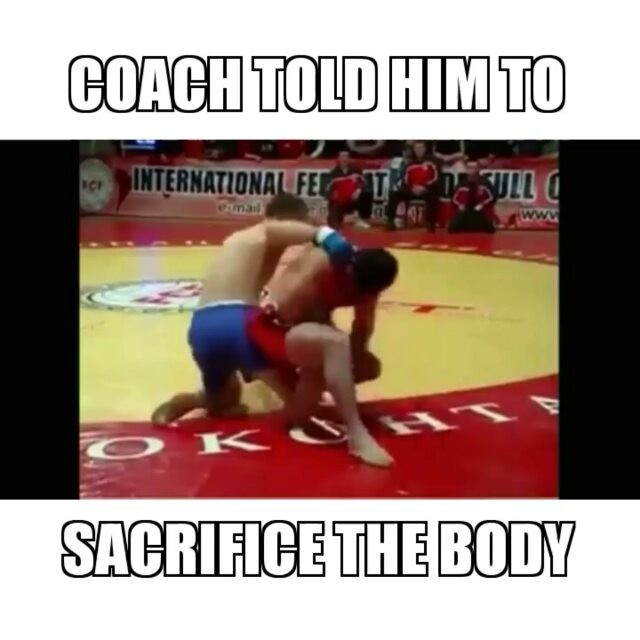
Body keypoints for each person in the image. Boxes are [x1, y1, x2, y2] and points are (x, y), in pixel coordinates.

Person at [152, 193, 394, 466]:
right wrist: (325, 235)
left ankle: (193, 399)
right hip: (241, 324)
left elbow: (360, 328)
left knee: (223, 403)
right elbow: (275, 234)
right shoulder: (270, 236)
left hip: (202, 327)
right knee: (306, 395)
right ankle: (355, 434)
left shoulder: (237, 241)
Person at [250, 241, 399, 465]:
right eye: (352, 286)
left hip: (302, 335)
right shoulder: (320, 264)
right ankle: (357, 434)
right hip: (268, 328)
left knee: (367, 367)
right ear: (348, 268)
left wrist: (354, 359)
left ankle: (304, 400)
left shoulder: (368, 284)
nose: (354, 294)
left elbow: (362, 327)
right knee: (336, 344)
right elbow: (281, 313)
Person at [385, 140, 464, 231]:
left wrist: (424, 187)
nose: (419, 150)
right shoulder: (409, 164)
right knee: (394, 194)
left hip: (427, 190)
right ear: (414, 149)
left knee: (433, 196)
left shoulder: (433, 163)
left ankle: (430, 224)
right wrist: (412, 188)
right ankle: (390, 221)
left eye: (421, 148)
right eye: (417, 148)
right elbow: (404, 181)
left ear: (425, 149)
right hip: (412, 190)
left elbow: (436, 179)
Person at [321, 150, 373, 229]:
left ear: (349, 158)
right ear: (338, 159)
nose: (344, 159)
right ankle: (336, 220)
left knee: (366, 194)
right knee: (334, 222)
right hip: (340, 200)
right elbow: (326, 190)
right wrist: (334, 194)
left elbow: (364, 183)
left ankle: (360, 219)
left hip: (354, 198)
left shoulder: (356, 170)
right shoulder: (333, 173)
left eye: (346, 156)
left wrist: (359, 189)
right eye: (342, 156)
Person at [447, 161, 498, 233]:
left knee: (489, 229)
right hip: (465, 212)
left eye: (473, 168)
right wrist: (460, 205)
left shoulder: (485, 183)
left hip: (480, 211)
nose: (471, 170)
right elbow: (453, 198)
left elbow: (493, 197)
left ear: (478, 169)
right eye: (469, 168)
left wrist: (482, 205)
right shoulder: (461, 184)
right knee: (452, 228)